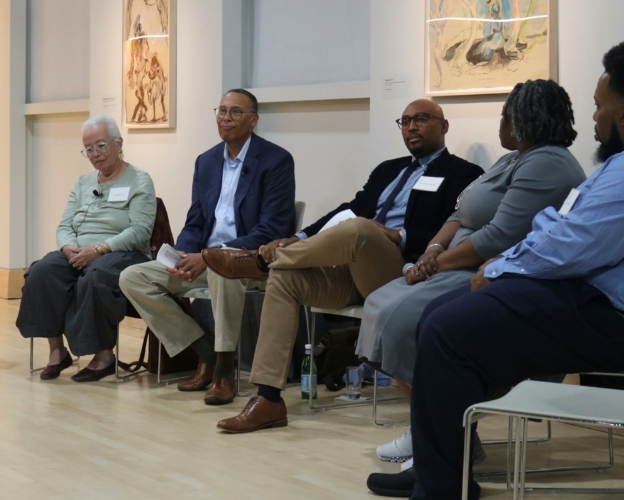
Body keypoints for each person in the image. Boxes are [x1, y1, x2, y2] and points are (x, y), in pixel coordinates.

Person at [366, 41, 624, 498]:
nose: (593, 117)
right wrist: (506, 262)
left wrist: (498, 268)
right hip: (605, 299)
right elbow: (568, 233)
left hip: (609, 313)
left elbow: (572, 245)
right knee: (442, 318)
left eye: (598, 106)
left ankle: (442, 485)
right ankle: (443, 465)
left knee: (447, 329)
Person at [204, 98, 484, 433]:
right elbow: (349, 208)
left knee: (359, 228)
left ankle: (258, 265)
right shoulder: (388, 169)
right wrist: (297, 236)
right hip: (355, 272)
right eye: (405, 121)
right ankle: (268, 399)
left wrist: (397, 235)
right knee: (285, 277)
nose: (411, 127)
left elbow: (455, 232)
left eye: (421, 119)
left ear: (443, 125)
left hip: (403, 275)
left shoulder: (464, 174)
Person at [361, 80, 585, 466]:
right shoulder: (512, 158)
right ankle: (429, 429)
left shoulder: (548, 162)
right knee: (378, 304)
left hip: (490, 270)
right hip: (452, 258)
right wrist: (431, 250)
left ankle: (445, 437)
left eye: (505, 113)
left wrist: (433, 264)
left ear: (523, 119)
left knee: (401, 319)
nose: (500, 121)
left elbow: (500, 236)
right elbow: (458, 212)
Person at [119, 89, 295, 406]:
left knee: (222, 270)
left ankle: (225, 368)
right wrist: (183, 254)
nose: (225, 118)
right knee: (133, 276)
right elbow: (196, 221)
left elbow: (272, 229)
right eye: (221, 111)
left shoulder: (276, 160)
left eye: (235, 112)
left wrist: (211, 256)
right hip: (203, 259)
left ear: (253, 119)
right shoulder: (207, 161)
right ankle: (205, 351)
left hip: (248, 261)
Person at [16, 115, 156, 382]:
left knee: (95, 278)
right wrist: (67, 246)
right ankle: (57, 352)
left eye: (101, 146)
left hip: (122, 254)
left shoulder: (139, 180)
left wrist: (99, 249)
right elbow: (64, 225)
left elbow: (140, 231)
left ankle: (104, 356)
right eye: (88, 149)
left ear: (118, 143)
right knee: (42, 272)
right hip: (79, 253)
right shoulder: (83, 183)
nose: (95, 154)